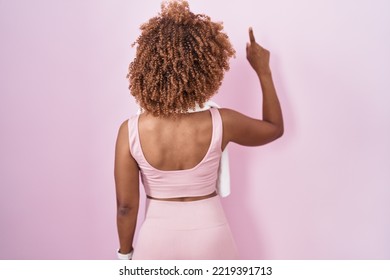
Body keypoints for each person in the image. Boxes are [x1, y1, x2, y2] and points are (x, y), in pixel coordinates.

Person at [114, 0, 283, 260]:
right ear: (207, 66)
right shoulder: (222, 121)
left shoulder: (130, 130)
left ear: (147, 65)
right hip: (211, 237)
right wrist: (264, 71)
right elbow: (273, 128)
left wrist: (124, 257)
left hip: (155, 240)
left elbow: (126, 207)